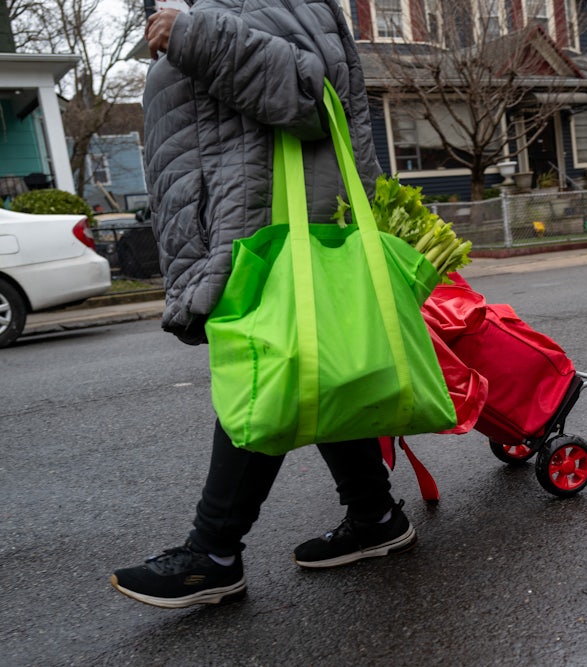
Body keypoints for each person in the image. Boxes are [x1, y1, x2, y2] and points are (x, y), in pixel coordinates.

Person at [110, 0, 415, 609]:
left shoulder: (277, 5)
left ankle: (214, 552)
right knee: (318, 375)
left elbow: (310, 94)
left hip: (272, 226)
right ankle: (375, 513)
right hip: (240, 222)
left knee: (264, 379)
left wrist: (192, 34)